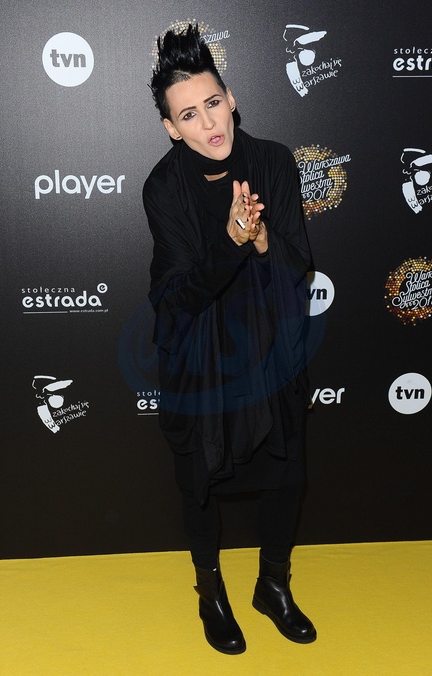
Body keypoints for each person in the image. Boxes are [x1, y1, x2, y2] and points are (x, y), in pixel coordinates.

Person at [143, 24, 316, 655]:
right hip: (200, 354)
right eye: (188, 114)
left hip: (270, 345)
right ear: (171, 127)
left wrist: (262, 240)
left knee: (287, 472)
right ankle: (210, 593)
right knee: (199, 481)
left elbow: (299, 265)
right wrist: (231, 242)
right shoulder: (164, 187)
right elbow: (179, 295)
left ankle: (273, 585)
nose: (208, 123)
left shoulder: (273, 161)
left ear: (232, 98)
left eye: (213, 103)